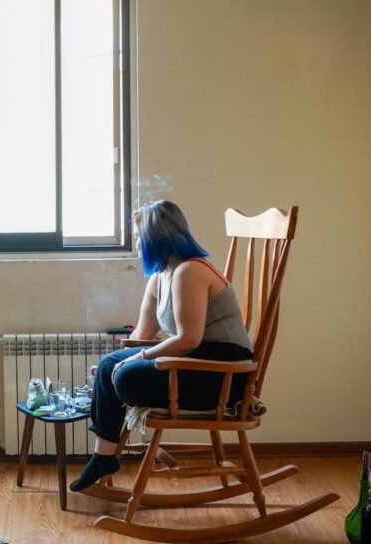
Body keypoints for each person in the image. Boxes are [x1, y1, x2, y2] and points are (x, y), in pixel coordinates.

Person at [69, 200, 254, 492]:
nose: (138, 244)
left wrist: (134, 360)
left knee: (127, 376)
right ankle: (103, 456)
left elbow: (188, 339)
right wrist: (113, 364)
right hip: (193, 359)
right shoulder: (160, 277)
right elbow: (142, 335)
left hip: (223, 370)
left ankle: (104, 454)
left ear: (157, 237)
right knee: (109, 366)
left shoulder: (190, 271)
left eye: (140, 237)